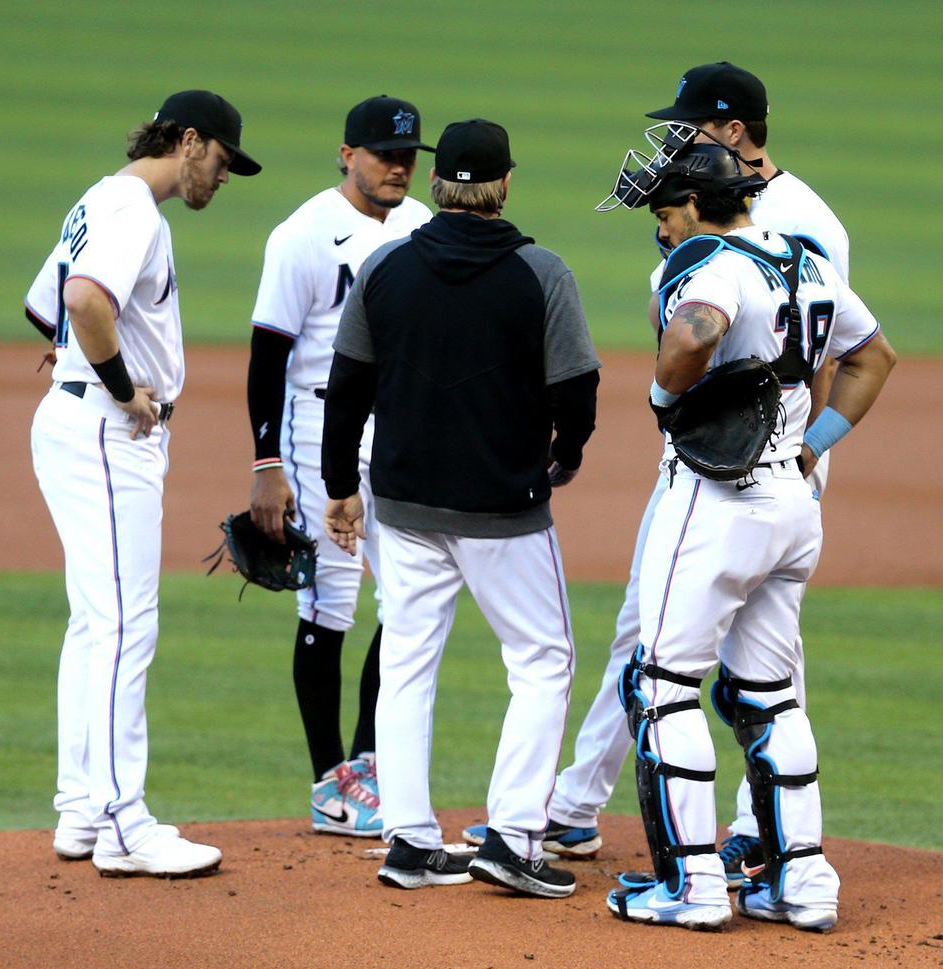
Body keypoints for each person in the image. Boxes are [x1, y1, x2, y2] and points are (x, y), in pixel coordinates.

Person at [465, 62, 851, 882]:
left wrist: (808, 442)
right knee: (652, 634)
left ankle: (739, 843)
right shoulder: (697, 210)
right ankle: (577, 807)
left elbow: (806, 349)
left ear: (736, 135)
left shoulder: (800, 221)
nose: (677, 137)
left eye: (694, 126)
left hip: (754, 470)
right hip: (712, 467)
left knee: (718, 674)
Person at [603, 140, 895, 931]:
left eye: (666, 213)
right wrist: (814, 440)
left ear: (697, 205)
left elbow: (696, 330)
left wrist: (663, 396)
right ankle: (803, 883)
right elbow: (875, 355)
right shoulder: (805, 262)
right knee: (770, 697)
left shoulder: (715, 264)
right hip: (791, 505)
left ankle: (691, 884)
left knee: (661, 687)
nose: (663, 230)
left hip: (714, 501)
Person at [321, 119, 600, 896]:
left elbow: (345, 392)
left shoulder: (385, 268)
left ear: (441, 182)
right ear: (505, 184)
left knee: (407, 661)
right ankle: (513, 836)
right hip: (504, 508)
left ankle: (408, 841)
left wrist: (341, 485)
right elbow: (576, 391)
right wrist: (565, 453)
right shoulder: (540, 273)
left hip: (403, 503)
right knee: (544, 661)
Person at [26, 90, 261, 877]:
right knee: (126, 624)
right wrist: (122, 387)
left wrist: (81, 364)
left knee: (97, 622)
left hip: (75, 421)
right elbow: (81, 300)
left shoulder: (99, 198)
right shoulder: (136, 212)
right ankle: (124, 824)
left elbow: (41, 306)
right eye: (223, 160)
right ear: (189, 142)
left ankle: (81, 810)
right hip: (105, 430)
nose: (223, 178)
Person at [246, 96, 433, 837]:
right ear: (345, 153)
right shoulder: (303, 234)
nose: (397, 165)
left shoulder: (422, 228)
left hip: (398, 431)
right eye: (383, 152)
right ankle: (329, 781)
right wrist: (267, 463)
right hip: (319, 427)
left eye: (408, 154)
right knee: (328, 604)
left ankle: (369, 765)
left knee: (411, 598)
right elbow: (267, 356)